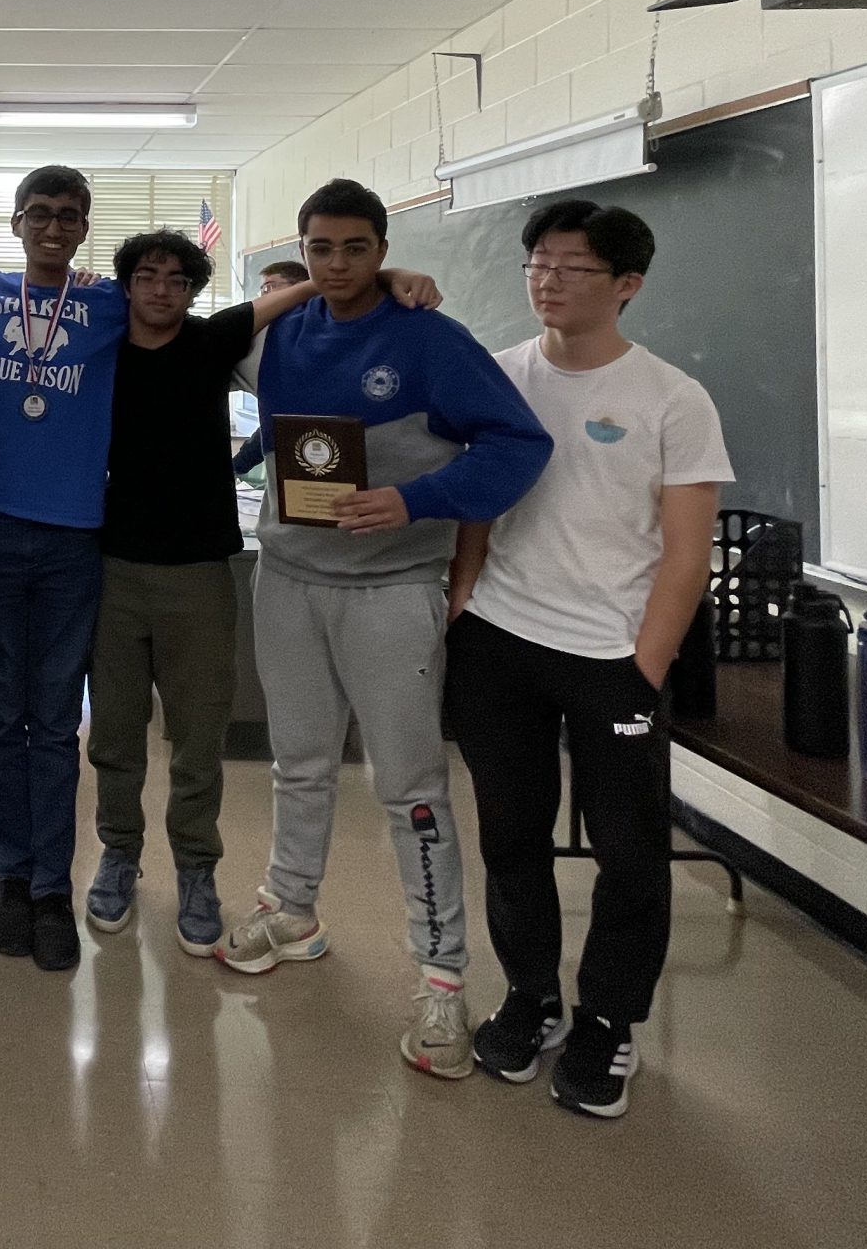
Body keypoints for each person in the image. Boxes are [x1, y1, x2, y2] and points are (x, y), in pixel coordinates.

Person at [228, 178, 552, 1086]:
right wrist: (303, 288)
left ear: (383, 248)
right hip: (289, 581)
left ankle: (441, 974)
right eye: (318, 250)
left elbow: (517, 444)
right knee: (299, 764)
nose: (337, 266)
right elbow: (201, 334)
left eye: (356, 249)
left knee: (409, 786)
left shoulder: (430, 341)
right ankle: (292, 909)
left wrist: (415, 499)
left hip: (390, 590)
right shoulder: (280, 336)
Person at [445, 199, 730, 1120]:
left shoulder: (671, 399)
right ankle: (532, 995)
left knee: (629, 850)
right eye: (537, 263)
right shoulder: (500, 375)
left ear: (627, 286)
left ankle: (609, 1019)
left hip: (612, 656)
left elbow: (688, 552)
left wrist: (646, 664)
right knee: (511, 837)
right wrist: (464, 596)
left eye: (571, 268)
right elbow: (480, 497)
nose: (546, 280)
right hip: (501, 643)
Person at [85, 230, 324, 957]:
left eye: (176, 279)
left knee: (197, 738)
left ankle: (196, 869)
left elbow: (286, 295)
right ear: (127, 285)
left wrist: (389, 274)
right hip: (112, 568)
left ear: (191, 290)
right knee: (117, 735)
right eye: (148, 277)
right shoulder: (98, 350)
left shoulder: (211, 341)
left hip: (198, 572)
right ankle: (119, 854)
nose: (161, 290)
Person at [0, 166, 128, 972]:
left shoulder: (110, 307)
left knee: (54, 720)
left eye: (71, 216)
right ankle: (10, 876)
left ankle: (53, 885)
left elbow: (220, 327)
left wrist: (387, 279)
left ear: (86, 229)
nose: (55, 227)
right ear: (17, 222)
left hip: (71, 541)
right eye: (41, 215)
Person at [231, 260, 310, 476]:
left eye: (270, 287)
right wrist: (237, 466)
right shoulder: (259, 339)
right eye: (262, 289)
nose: (263, 297)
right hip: (287, 460)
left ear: (301, 287)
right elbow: (276, 418)